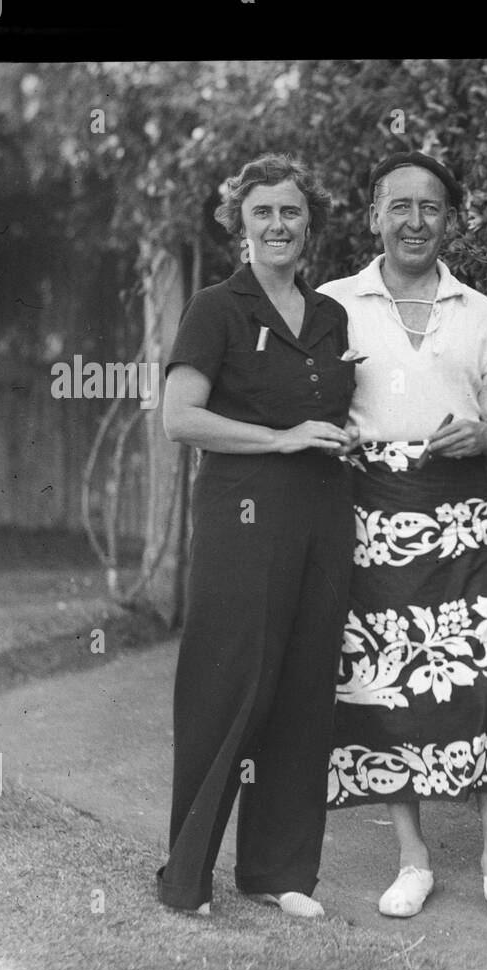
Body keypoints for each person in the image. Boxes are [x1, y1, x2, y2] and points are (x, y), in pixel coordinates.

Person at [317, 152, 487, 924]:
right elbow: (302, 403)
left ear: (451, 220)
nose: (417, 221)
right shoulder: (333, 303)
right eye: (401, 206)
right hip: (369, 513)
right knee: (384, 683)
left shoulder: (476, 309)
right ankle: (412, 860)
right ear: (374, 214)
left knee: (478, 678)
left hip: (462, 514)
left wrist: (485, 436)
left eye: (433, 208)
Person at [157, 153, 359, 918]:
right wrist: (281, 439)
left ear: (311, 225)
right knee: (228, 684)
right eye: (263, 212)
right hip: (243, 517)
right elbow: (181, 419)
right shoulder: (218, 308)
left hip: (323, 517)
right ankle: (186, 876)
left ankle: (279, 874)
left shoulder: (333, 314)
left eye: (291, 212)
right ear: (240, 225)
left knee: (306, 687)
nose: (279, 224)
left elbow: (333, 411)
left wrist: (341, 440)